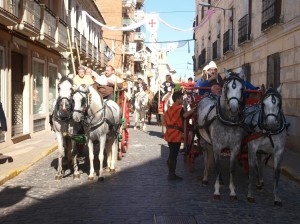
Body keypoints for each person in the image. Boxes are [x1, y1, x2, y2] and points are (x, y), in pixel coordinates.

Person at [164, 91, 195, 181]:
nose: (182, 100)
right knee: (174, 154)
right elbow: (184, 116)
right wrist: (193, 110)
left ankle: (171, 172)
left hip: (169, 133)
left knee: (171, 153)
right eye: (181, 98)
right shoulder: (179, 108)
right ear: (177, 99)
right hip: (176, 133)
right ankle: (171, 174)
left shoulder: (169, 109)